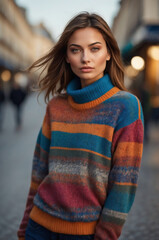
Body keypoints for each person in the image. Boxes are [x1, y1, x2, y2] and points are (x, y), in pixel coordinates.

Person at [17, 12, 144, 240]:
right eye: (75, 50)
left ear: (108, 54)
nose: (85, 58)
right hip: (39, 226)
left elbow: (123, 184)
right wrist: (25, 227)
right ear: (67, 56)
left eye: (95, 49)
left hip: (85, 234)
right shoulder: (56, 106)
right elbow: (38, 173)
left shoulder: (126, 106)